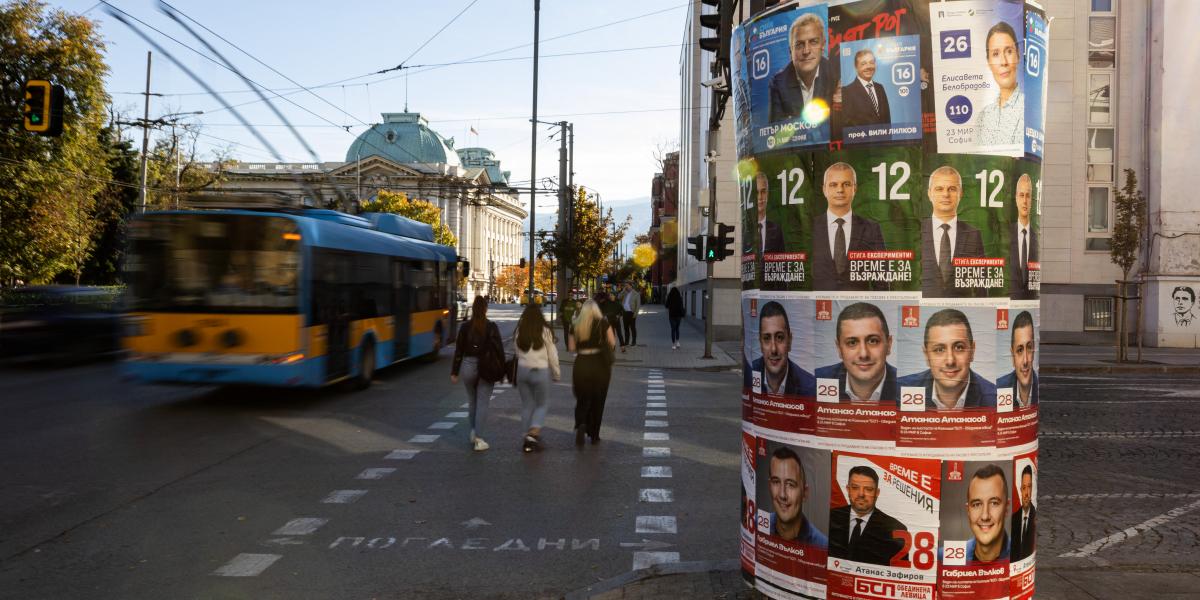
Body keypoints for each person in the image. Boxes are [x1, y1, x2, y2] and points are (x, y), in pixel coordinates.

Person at [897, 309, 997, 410]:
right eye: (939, 349)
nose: (950, 361)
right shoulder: (899, 392)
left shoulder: (994, 400)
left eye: (959, 348)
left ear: (972, 351)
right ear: (926, 355)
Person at [812, 163, 887, 291]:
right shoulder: (811, 227)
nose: (840, 190)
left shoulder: (872, 229)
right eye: (833, 184)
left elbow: (882, 282)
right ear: (824, 190)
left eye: (846, 184)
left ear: (855, 189)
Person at [920, 166, 985, 297]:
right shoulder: (916, 231)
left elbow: (981, 287)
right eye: (939, 189)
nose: (946, 194)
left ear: (960, 193)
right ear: (929, 193)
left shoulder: (973, 235)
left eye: (952, 189)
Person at [451, 296, 505, 452]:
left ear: (473, 309)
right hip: (486, 367)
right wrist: (501, 370)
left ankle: (473, 432)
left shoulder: (465, 327)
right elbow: (499, 350)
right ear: (486, 309)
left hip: (467, 366)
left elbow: (458, 350)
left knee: (472, 401)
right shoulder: (491, 327)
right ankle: (479, 439)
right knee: (482, 402)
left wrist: (454, 371)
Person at [815, 302, 898, 403]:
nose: (863, 354)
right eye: (852, 342)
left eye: (873, 341)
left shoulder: (905, 384)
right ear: (839, 348)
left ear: (888, 345)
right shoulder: (816, 380)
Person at [829, 466, 908, 565]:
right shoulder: (829, 518)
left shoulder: (895, 529)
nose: (861, 494)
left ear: (877, 493)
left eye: (868, 489)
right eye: (855, 488)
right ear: (848, 489)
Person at [768, 12, 837, 123]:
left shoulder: (835, 72)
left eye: (813, 42)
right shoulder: (778, 83)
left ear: (823, 45)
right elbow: (777, 130)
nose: (806, 51)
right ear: (791, 51)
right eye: (799, 45)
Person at [568, 299, 617, 446]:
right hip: (599, 364)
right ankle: (594, 434)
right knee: (598, 400)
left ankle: (581, 423)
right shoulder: (603, 322)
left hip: (581, 362)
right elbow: (612, 343)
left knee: (582, 397)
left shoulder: (575, 324)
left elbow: (571, 348)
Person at [514, 304, 560, 453]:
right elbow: (552, 354)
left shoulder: (519, 330)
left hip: (522, 371)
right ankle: (533, 433)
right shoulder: (545, 331)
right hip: (540, 370)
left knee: (527, 405)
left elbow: (516, 351)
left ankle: (525, 438)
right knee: (542, 403)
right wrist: (556, 373)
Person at [751, 301, 816, 397]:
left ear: (789, 341)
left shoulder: (809, 386)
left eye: (779, 337)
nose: (773, 349)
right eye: (767, 338)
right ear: (760, 343)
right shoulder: (750, 373)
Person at [767, 446, 828, 546]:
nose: (782, 494)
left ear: (805, 493)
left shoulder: (822, 545)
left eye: (790, 484)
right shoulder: (756, 525)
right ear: (769, 487)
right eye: (776, 482)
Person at [976, 21, 1024, 146]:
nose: (1003, 62)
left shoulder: (1028, 109)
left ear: (1018, 55)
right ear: (989, 62)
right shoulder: (983, 117)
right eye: (995, 54)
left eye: (1009, 51)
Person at [965, 464, 1010, 564]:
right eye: (977, 504)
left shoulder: (1020, 553)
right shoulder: (941, 557)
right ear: (968, 510)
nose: (985, 516)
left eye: (994, 503)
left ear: (1006, 507)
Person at [996, 311, 1038, 408]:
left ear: (1034, 350)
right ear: (1012, 356)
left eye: (1029, 348)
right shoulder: (999, 388)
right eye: (1019, 350)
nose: (1025, 361)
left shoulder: (1040, 388)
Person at [840, 49, 891, 128]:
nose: (869, 67)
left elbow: (887, 121)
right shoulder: (847, 91)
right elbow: (847, 125)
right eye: (863, 64)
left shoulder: (880, 88)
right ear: (856, 67)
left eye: (871, 62)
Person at [1009, 174, 1039, 299]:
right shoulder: (1006, 234)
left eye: (1028, 196)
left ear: (1032, 200)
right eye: (1021, 195)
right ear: (1016, 198)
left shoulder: (1037, 238)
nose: (1025, 201)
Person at [1009, 464, 1036, 561]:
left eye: (1029, 487)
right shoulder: (1014, 518)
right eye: (1024, 488)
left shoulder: (1035, 515)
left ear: (1032, 488)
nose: (1027, 493)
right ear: (1020, 490)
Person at [754, 172, 784, 254]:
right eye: (756, 192)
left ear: (768, 194)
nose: (760, 197)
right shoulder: (747, 231)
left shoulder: (777, 231)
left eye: (763, 192)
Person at [619, 282, 641, 351]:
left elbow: (638, 305)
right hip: (625, 313)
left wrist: (635, 314)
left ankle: (634, 342)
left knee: (632, 328)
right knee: (626, 328)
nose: (626, 287)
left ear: (631, 286)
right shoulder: (624, 293)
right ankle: (626, 342)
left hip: (632, 313)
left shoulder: (636, 294)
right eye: (625, 286)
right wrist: (623, 290)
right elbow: (618, 297)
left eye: (627, 286)